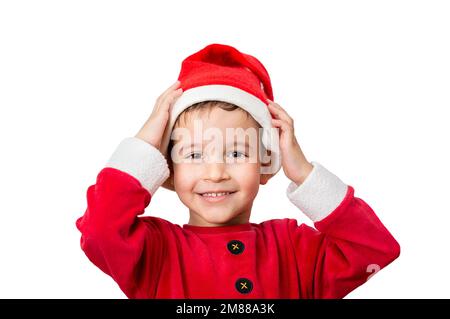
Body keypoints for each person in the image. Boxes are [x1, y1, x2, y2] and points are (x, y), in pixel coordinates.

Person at [76, 43, 400, 298]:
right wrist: (145, 143)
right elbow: (100, 230)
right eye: (193, 154)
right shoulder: (156, 252)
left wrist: (303, 173)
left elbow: (373, 249)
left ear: (267, 164)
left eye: (235, 152)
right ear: (168, 171)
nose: (216, 172)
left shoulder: (292, 248)